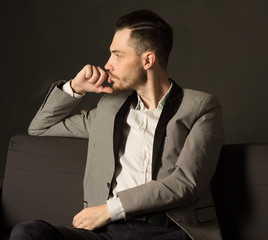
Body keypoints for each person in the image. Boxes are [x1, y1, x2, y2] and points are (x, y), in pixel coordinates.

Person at [10, 9, 224, 240]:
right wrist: (75, 88)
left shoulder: (201, 107)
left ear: (148, 60)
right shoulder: (108, 109)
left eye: (118, 55)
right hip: (107, 233)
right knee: (28, 232)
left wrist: (109, 210)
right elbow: (40, 128)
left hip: (168, 231)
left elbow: (185, 182)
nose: (108, 64)